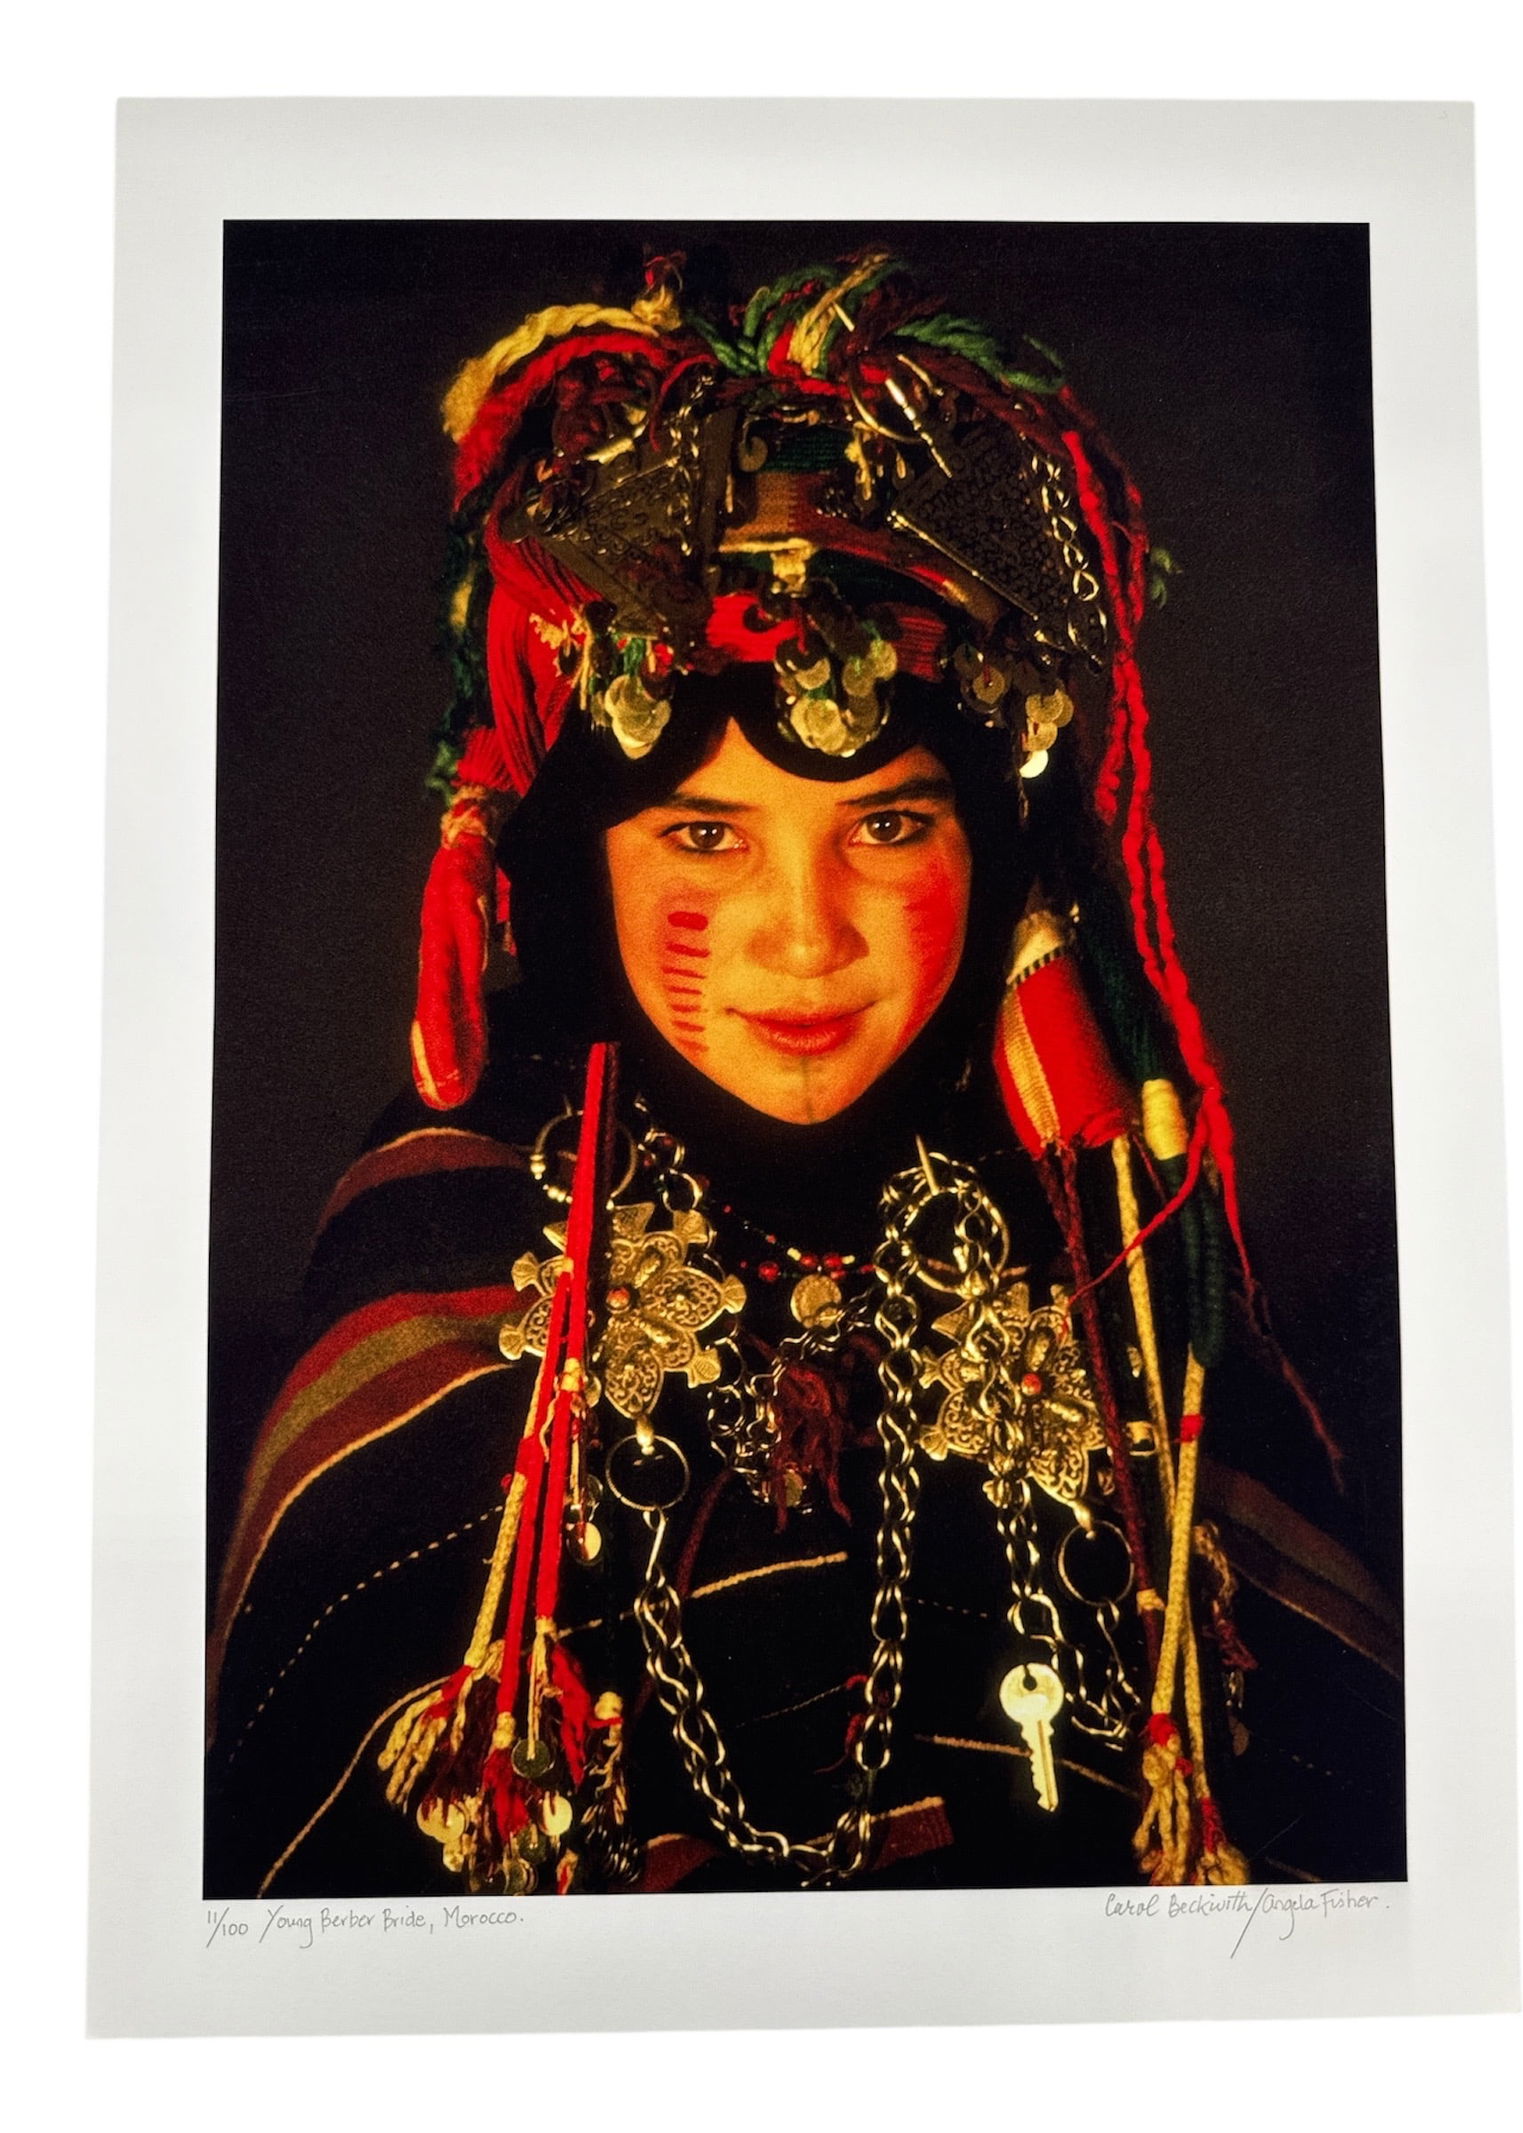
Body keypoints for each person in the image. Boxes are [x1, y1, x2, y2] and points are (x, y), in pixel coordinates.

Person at [205, 250, 1404, 1899]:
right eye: (704, 834)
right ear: (578, 874)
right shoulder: (435, 1296)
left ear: (1005, 870)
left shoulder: (1131, 1275)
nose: (803, 938)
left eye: (892, 827)